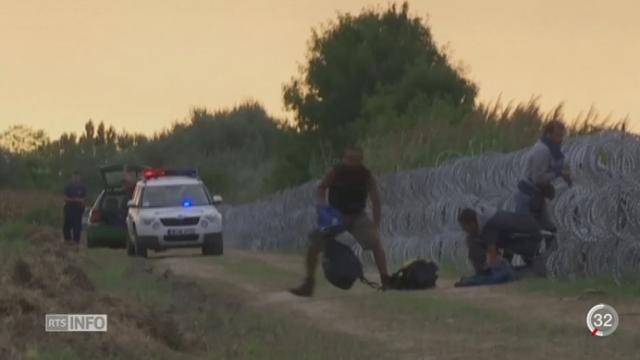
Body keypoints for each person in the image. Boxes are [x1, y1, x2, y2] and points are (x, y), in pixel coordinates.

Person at [290, 145, 391, 297]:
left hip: (357, 216)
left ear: (361, 161)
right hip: (336, 215)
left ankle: (386, 280)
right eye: (348, 159)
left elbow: (376, 200)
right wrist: (323, 205)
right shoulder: (336, 172)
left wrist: (375, 226)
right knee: (314, 246)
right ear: (344, 159)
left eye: (355, 160)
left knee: (376, 243)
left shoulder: (366, 175)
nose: (351, 163)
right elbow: (321, 188)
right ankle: (308, 284)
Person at [515, 120, 572, 232]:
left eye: (562, 136)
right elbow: (538, 178)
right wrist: (557, 173)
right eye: (558, 136)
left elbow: (561, 164)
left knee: (549, 230)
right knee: (527, 232)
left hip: (536, 196)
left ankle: (548, 249)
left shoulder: (551, 150)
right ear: (548, 135)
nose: (561, 139)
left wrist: (566, 176)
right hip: (528, 197)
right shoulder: (542, 150)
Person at [457, 208, 542, 275]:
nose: (464, 230)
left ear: (471, 223)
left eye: (464, 227)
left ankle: (485, 272)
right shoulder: (484, 218)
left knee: (474, 241)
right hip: (524, 232)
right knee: (473, 239)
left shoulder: (488, 225)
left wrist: (492, 268)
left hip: (530, 238)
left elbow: (492, 252)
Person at [63, 171, 87, 244]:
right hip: (69, 209)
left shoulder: (83, 187)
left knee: (77, 227)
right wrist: (75, 200)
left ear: (79, 178)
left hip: (78, 210)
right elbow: (65, 198)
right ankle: (68, 241)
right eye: (74, 177)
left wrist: (82, 202)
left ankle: (76, 243)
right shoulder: (68, 187)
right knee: (66, 227)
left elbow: (85, 199)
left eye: (77, 177)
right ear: (72, 177)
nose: (76, 178)